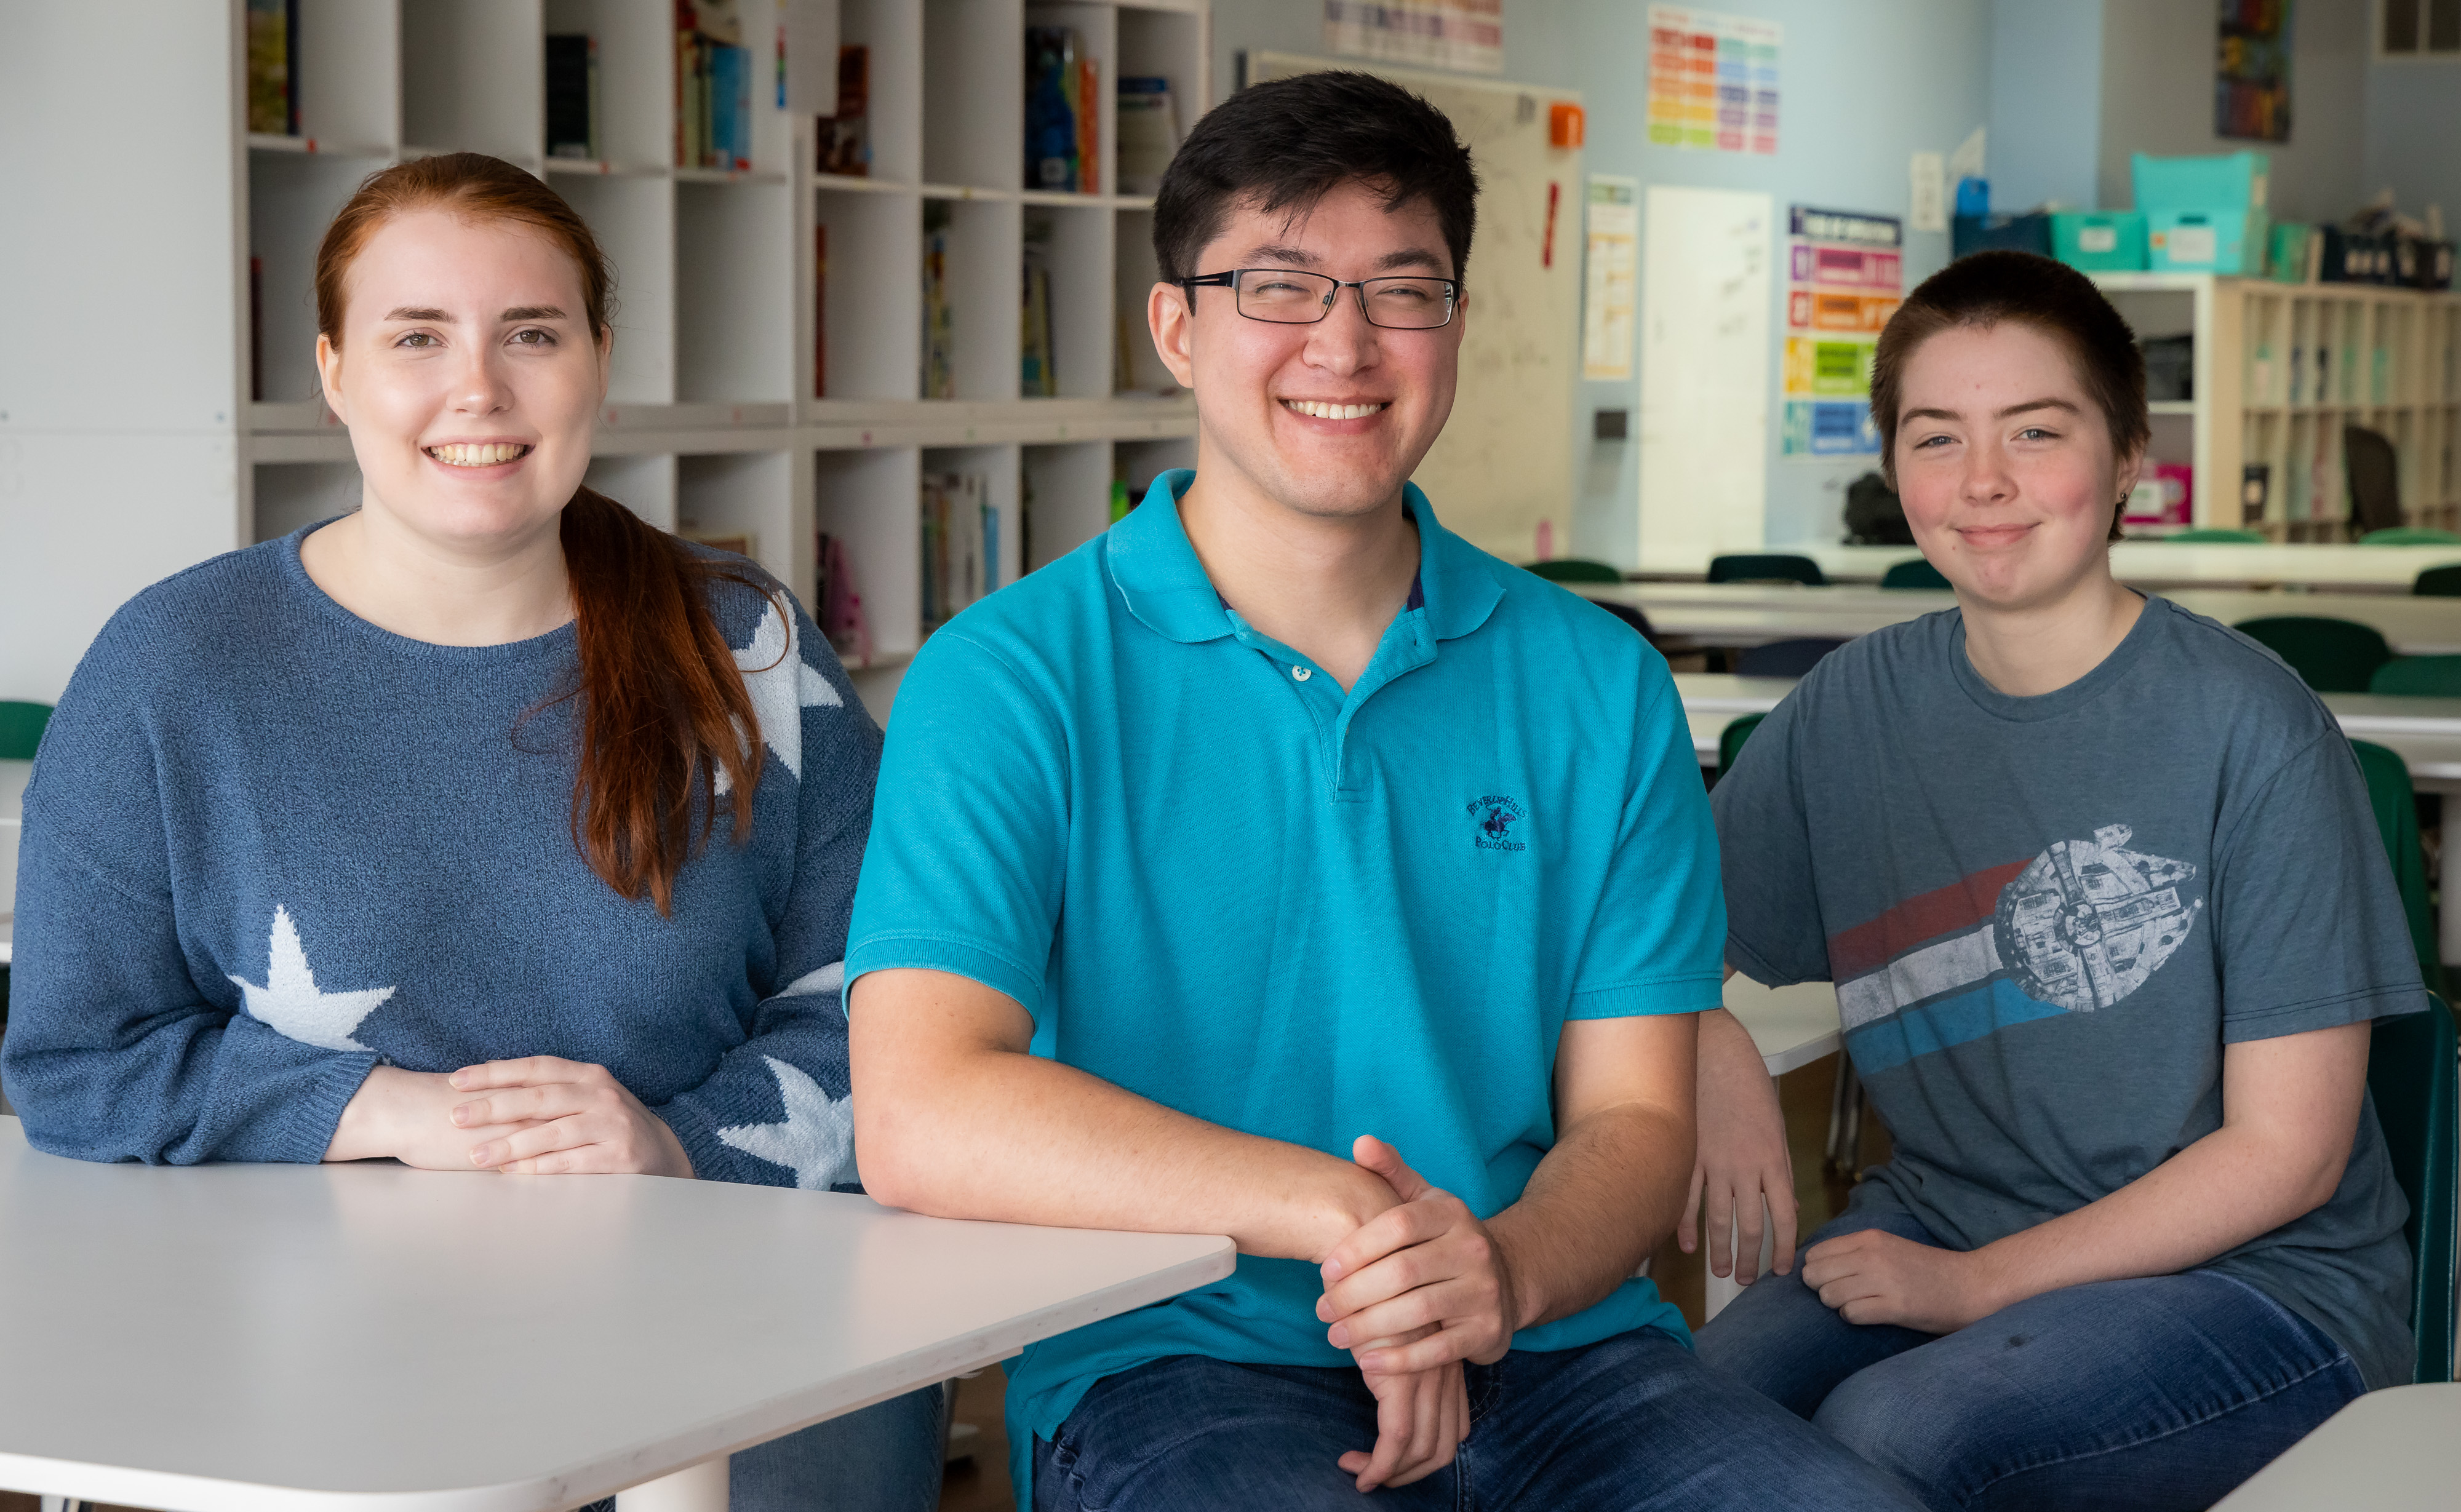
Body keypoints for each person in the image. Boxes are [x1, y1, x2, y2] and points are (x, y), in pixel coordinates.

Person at [842, 70, 1921, 1511]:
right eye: (1278, 286)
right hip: (1177, 1360)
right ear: (1176, 326)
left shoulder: (1598, 683)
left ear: (1454, 325)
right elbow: (919, 1108)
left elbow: (1633, 1121)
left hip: (1559, 1352)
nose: (1343, 343)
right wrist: (1339, 1214)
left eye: (1401, 291)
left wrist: (1491, 1275)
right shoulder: (1009, 676)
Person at [0, 153, 943, 1512]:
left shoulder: (745, 647)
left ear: (598, 363)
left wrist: (677, 1144)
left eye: (532, 335)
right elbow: (79, 1061)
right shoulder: (174, 666)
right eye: (417, 338)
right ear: (334, 373)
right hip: (313, 1342)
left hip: (731, 1315)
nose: (479, 389)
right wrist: (396, 1111)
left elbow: (889, 1021)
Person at [1691, 249, 2425, 1511]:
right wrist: (1713, 1049)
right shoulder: (1849, 708)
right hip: (1940, 1220)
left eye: (2034, 430)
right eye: (1937, 436)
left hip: (2262, 1286)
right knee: (1686, 1413)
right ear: (1892, 468)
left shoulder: (2251, 729)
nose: (1983, 480)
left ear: (2129, 454)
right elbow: (1650, 930)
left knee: (1896, 1432)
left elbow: (2288, 1154)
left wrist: (1976, 1286)